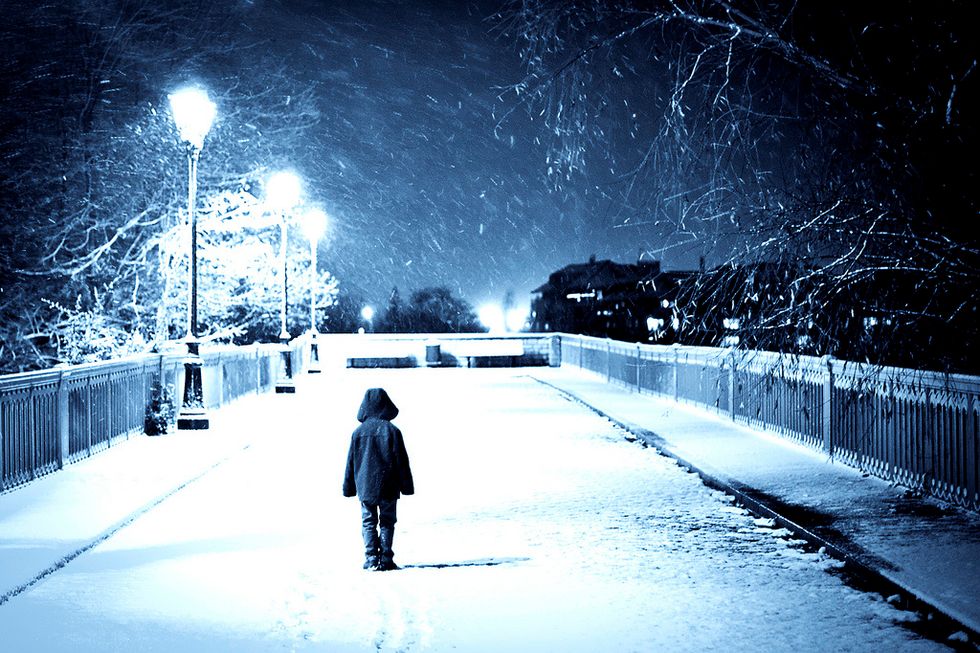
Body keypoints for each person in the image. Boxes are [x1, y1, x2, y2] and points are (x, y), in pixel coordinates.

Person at [342, 387, 414, 571]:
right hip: (388, 485)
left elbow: (351, 462)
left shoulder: (358, 433)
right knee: (388, 521)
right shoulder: (392, 431)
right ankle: (386, 558)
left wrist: (348, 487)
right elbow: (401, 461)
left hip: (366, 487)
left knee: (368, 521)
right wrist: (406, 486)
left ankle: (371, 558)